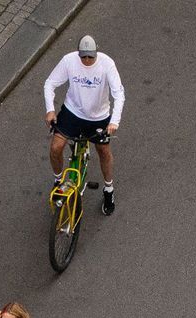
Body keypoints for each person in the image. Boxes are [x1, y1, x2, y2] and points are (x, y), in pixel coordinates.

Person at [42, 35, 124, 214]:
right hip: (73, 113)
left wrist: (114, 122)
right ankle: (58, 181)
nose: (87, 60)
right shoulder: (69, 61)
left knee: (103, 151)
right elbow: (50, 84)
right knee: (56, 147)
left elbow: (119, 94)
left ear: (96, 54)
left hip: (98, 117)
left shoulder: (107, 64)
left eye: (90, 57)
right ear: (78, 54)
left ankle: (109, 189)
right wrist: (50, 110)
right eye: (83, 57)